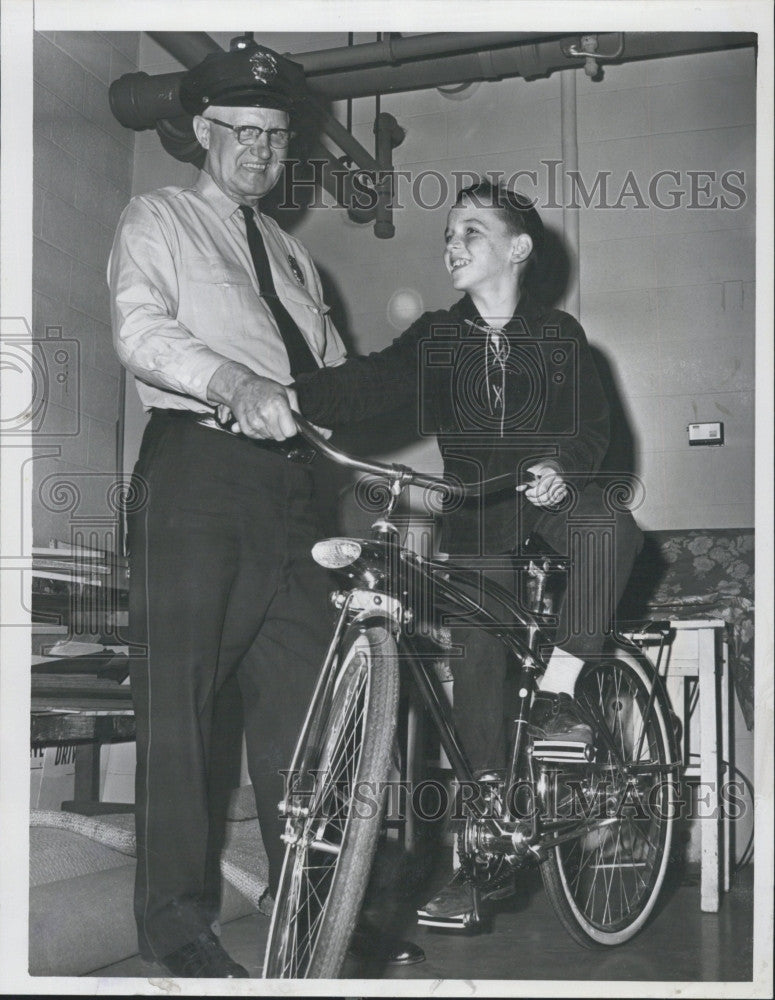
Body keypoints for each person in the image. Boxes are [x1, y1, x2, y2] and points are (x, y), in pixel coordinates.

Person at [109, 39, 422, 977]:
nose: (258, 151)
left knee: (303, 717)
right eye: (241, 132)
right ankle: (177, 929)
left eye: (275, 138)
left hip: (295, 494)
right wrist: (230, 380)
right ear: (202, 133)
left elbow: (326, 386)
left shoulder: (295, 260)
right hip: (198, 475)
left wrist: (440, 361)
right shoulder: (157, 216)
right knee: (182, 711)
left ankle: (318, 913)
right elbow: (138, 328)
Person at [286, 179, 645, 925]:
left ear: (516, 249)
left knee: (611, 529)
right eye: (448, 234)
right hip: (478, 510)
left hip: (550, 496)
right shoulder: (436, 337)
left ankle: (560, 692)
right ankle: (484, 847)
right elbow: (367, 385)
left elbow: (591, 426)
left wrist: (562, 468)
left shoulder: (559, 337)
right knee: (477, 655)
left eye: (470, 232)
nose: (451, 244)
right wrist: (283, 391)